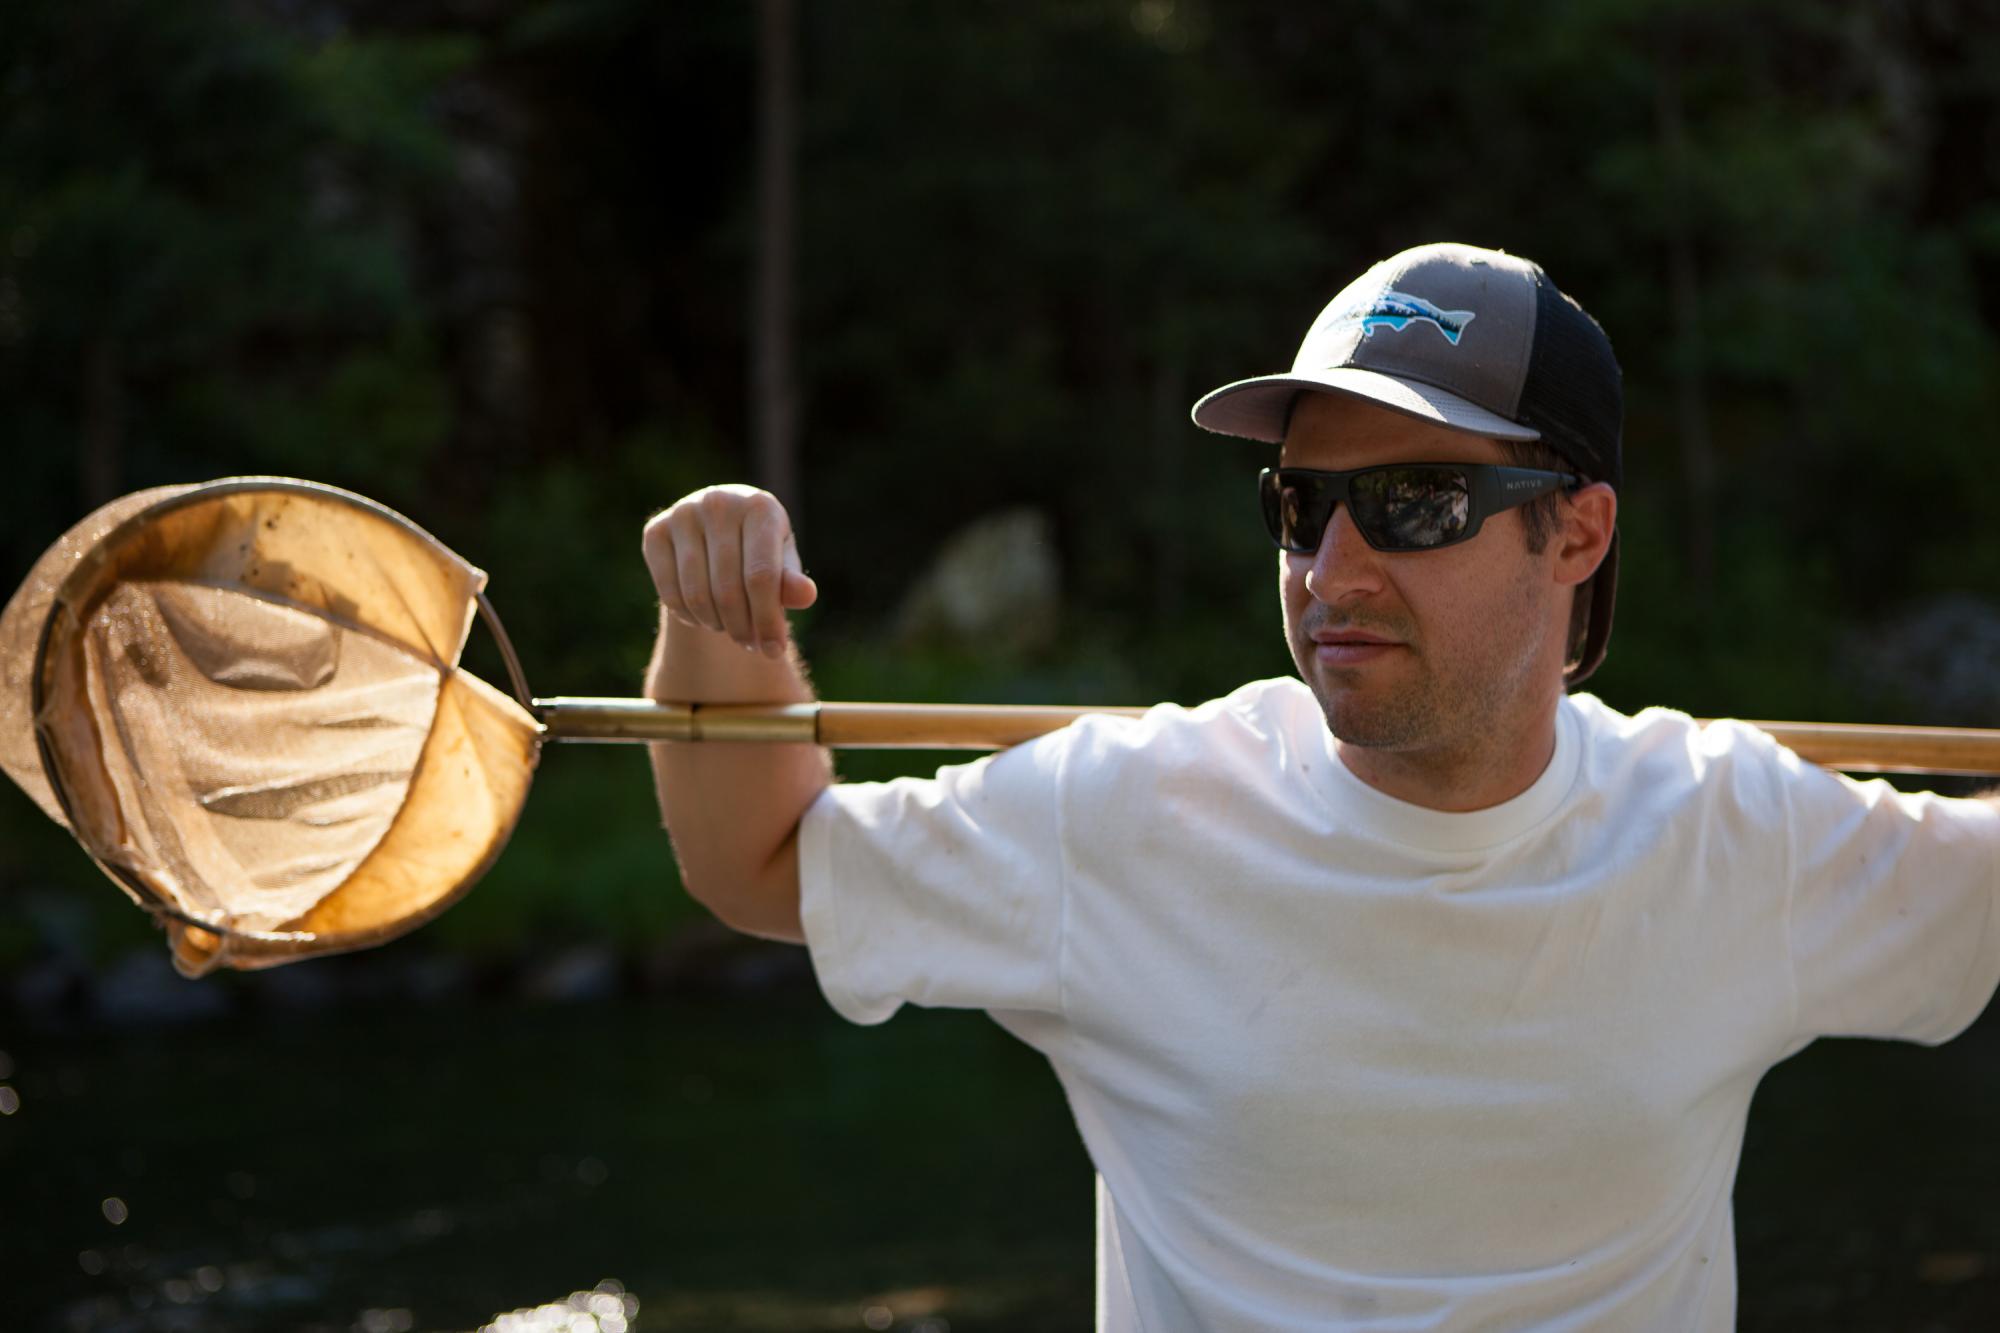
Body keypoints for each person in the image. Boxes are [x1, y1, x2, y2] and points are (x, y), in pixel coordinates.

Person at [640, 242, 2000, 1330]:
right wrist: (722, 620)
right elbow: (758, 861)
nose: (1331, 572)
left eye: (1413, 503)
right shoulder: (1127, 812)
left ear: (1576, 530)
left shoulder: (1732, 831)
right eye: (1301, 506)